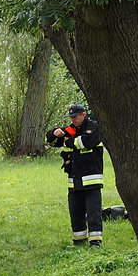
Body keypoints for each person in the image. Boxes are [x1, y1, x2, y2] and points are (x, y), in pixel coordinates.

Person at [46, 104, 104, 247]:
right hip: (74, 181)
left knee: (93, 213)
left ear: (83, 115)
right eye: (71, 117)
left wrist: (68, 141)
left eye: (75, 117)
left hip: (91, 180)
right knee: (76, 212)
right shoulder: (70, 129)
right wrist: (55, 133)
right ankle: (79, 241)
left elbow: (86, 142)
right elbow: (50, 140)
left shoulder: (94, 127)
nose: (73, 120)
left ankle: (95, 242)